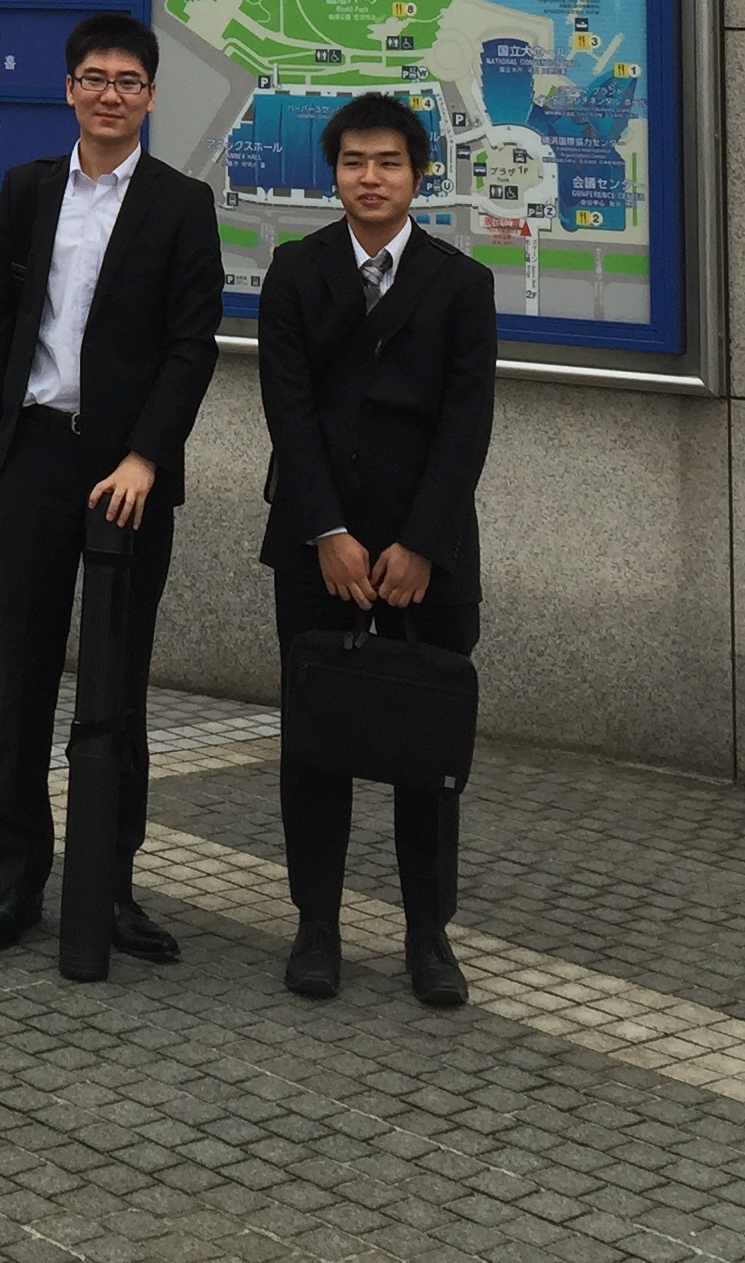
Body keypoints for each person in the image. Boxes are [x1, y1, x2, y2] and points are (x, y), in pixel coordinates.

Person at [0, 11, 222, 961]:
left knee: (117, 686)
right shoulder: (28, 189)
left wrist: (147, 455)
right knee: (25, 682)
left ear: (151, 96)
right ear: (69, 88)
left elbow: (192, 345)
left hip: (129, 476)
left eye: (128, 81)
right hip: (35, 456)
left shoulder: (181, 204)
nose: (110, 94)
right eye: (94, 78)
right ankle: (19, 881)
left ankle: (111, 887)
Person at [256, 89, 496, 1009]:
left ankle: (428, 934)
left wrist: (421, 544)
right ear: (334, 174)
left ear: (418, 176)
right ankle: (316, 926)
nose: (370, 178)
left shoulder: (460, 284)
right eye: (354, 162)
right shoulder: (296, 271)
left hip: (425, 555)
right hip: (318, 548)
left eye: (388, 162)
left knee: (426, 747)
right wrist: (328, 533)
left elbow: (467, 425)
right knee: (315, 743)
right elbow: (288, 410)